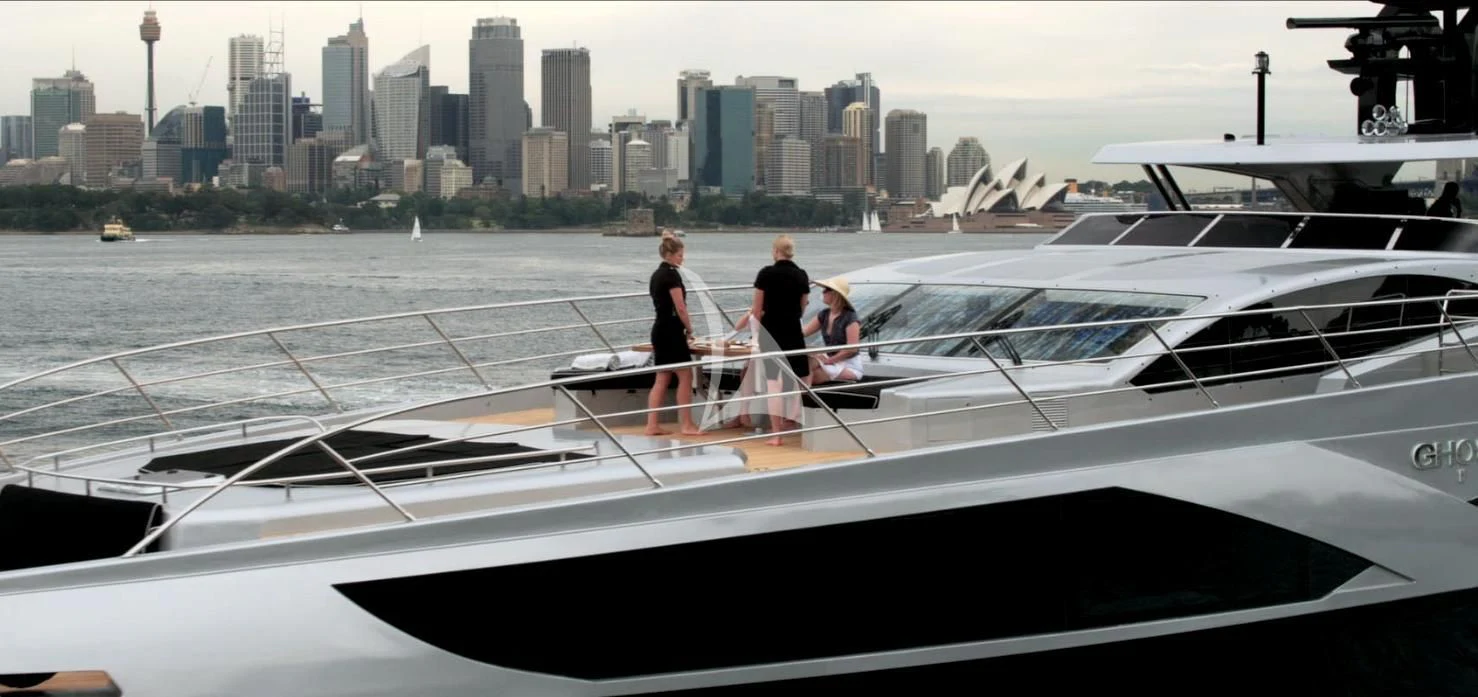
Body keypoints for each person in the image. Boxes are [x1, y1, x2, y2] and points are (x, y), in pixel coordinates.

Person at [751, 234, 810, 446]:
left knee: (773, 383)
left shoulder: (766, 274)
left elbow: (756, 310)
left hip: (770, 331)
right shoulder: (801, 275)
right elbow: (803, 307)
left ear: (776, 251)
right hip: (793, 330)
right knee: (800, 376)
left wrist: (757, 334)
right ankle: (793, 418)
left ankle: (776, 435)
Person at [645, 232, 700, 436]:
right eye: (679, 255)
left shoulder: (656, 275)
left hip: (659, 328)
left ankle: (652, 424)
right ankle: (687, 424)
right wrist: (690, 328)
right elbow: (680, 307)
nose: (682, 259)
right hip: (671, 330)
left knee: (662, 378)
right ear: (669, 255)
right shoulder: (671, 276)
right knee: (686, 375)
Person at [803, 277, 864, 384]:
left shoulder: (850, 317)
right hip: (832, 361)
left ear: (836, 294)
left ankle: (796, 394)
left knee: (808, 370)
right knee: (804, 366)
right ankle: (798, 393)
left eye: (826, 289)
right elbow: (803, 332)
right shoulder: (824, 314)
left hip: (849, 365)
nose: (823, 292)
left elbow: (852, 349)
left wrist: (829, 360)